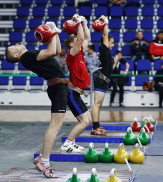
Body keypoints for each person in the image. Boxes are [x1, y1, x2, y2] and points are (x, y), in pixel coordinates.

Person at [5, 22, 67, 178]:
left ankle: (41, 157)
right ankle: (44, 163)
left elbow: (57, 50)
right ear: (16, 55)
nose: (17, 44)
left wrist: (56, 32)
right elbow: (52, 51)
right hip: (58, 87)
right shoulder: (27, 56)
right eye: (14, 47)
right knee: (55, 126)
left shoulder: (29, 55)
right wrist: (52, 32)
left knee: (55, 126)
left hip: (59, 87)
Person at [61, 14, 92, 153]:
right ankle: (67, 143)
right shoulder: (71, 55)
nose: (80, 42)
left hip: (77, 93)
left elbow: (87, 38)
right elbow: (80, 38)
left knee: (88, 120)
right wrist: (78, 23)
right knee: (84, 121)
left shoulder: (79, 53)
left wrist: (84, 24)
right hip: (72, 94)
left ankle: (71, 142)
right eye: (77, 42)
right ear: (71, 45)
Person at [91, 15, 114, 135]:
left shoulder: (107, 53)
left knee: (99, 105)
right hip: (100, 79)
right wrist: (105, 23)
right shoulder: (104, 49)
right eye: (112, 42)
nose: (113, 44)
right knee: (97, 104)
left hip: (103, 79)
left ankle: (97, 125)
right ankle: (95, 127)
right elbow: (105, 35)